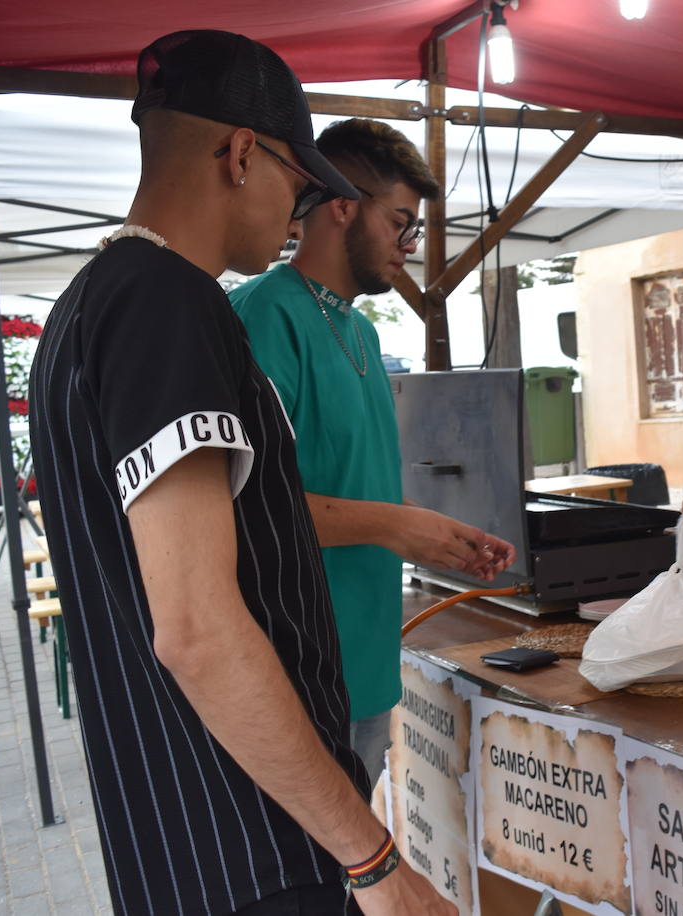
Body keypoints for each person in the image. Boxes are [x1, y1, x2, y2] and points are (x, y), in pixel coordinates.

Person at [28, 30, 452, 915]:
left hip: (181, 828)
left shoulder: (87, 308)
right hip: (243, 837)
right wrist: (373, 860)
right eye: (297, 186)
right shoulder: (167, 305)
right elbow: (197, 630)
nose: (296, 214)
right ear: (240, 153)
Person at [229, 118, 516, 786]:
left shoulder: (358, 329)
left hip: (365, 664)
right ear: (341, 206)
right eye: (400, 223)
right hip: (295, 671)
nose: (410, 245)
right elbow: (247, 505)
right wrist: (399, 525)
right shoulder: (266, 315)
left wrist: (438, 533)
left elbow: (354, 487)